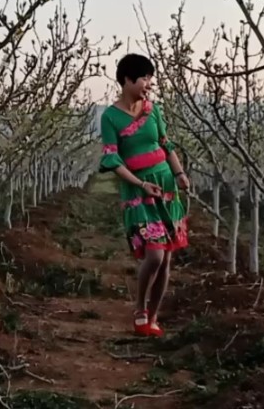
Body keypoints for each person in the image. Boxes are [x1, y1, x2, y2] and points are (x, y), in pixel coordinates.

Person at [98, 53, 190, 337]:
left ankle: (153, 317)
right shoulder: (110, 117)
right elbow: (112, 160)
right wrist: (139, 184)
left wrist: (179, 174)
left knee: (167, 258)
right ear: (127, 79)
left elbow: (166, 145)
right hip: (139, 190)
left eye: (150, 78)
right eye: (143, 78)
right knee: (154, 256)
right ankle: (139, 306)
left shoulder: (154, 110)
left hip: (166, 188)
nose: (148, 84)